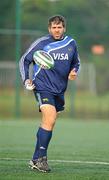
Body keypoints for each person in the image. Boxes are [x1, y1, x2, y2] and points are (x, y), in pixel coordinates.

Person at [19, 15, 80, 173]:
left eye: (59, 27)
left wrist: (74, 72)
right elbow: (25, 60)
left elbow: (76, 63)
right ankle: (41, 159)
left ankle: (35, 158)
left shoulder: (70, 43)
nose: (57, 30)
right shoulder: (42, 43)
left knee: (49, 122)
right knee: (50, 117)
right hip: (42, 87)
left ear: (64, 28)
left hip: (59, 90)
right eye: (54, 27)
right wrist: (26, 80)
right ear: (49, 29)